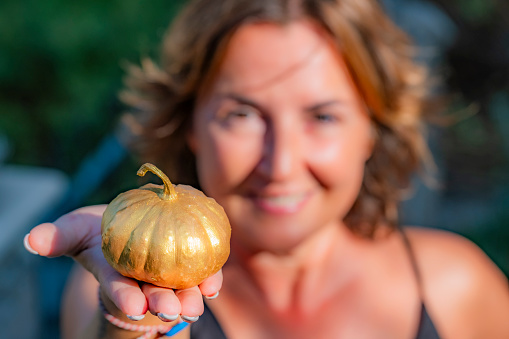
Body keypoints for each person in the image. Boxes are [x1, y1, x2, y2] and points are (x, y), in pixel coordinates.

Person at [24, 0, 509, 338]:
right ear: (189, 123)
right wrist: (135, 325)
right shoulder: (103, 294)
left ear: (372, 128)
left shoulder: (459, 288)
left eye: (322, 116)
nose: (280, 165)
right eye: (242, 115)